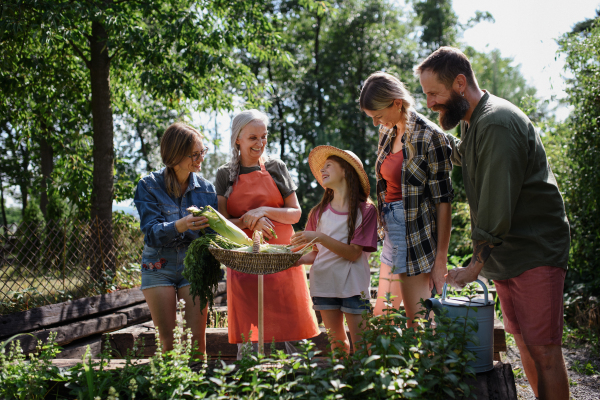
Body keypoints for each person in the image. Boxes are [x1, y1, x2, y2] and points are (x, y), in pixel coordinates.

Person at [416, 46, 571, 400]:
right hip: (506, 255)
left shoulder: (496, 122)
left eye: (434, 94)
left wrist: (475, 267)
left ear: (459, 83)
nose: (430, 103)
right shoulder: (473, 122)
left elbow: (496, 207)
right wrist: (416, 127)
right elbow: (458, 153)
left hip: (535, 251)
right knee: (525, 346)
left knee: (544, 350)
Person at [215, 109, 320, 358]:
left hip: (283, 254)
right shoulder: (224, 175)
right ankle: (249, 375)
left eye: (264, 136)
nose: (260, 143)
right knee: (249, 322)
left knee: (290, 315)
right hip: (244, 258)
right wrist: (249, 221)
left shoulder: (275, 167)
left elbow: (295, 213)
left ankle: (298, 377)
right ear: (237, 139)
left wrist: (264, 211)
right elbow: (221, 222)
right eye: (253, 138)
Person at [359, 72, 454, 327]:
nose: (376, 122)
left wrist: (440, 259)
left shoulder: (430, 137)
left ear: (397, 102)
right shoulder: (387, 132)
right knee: (383, 319)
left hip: (414, 236)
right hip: (391, 229)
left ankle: (434, 367)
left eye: (378, 115)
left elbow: (444, 202)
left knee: (419, 321)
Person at [134, 122, 217, 356]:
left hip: (194, 266)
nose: (201, 158)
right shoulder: (148, 186)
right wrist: (181, 225)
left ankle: (197, 389)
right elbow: (150, 233)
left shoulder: (207, 190)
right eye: (195, 154)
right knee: (168, 344)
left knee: (197, 345)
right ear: (175, 156)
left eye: (203, 151)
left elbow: (212, 236)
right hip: (158, 265)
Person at [291, 146, 378, 355]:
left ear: (346, 171)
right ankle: (341, 385)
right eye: (322, 168)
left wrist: (319, 237)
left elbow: (353, 253)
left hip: (353, 286)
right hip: (324, 284)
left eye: (328, 165)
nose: (323, 170)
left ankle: (363, 386)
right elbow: (317, 254)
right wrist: (297, 259)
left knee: (363, 346)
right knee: (337, 346)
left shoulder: (365, 210)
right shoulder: (317, 212)